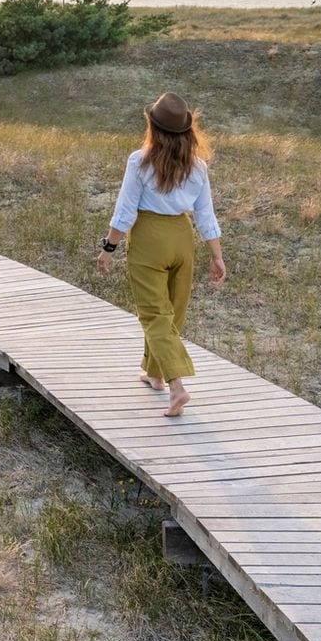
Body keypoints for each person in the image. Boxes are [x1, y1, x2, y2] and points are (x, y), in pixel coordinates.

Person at [95, 92, 226, 416]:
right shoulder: (197, 166)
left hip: (149, 239)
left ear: (153, 127)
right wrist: (217, 256)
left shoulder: (139, 161)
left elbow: (125, 212)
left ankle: (177, 386)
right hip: (182, 239)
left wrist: (108, 248)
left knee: (155, 314)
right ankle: (155, 375)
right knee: (172, 313)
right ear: (187, 130)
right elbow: (205, 215)